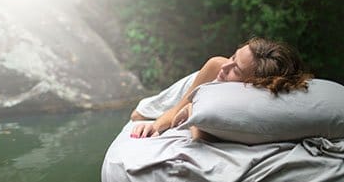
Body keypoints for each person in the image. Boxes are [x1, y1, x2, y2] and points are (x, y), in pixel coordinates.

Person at [130, 37, 313, 139]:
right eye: (233, 57)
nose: (226, 66)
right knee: (138, 115)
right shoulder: (217, 66)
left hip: (213, 92)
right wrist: (154, 126)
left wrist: (193, 109)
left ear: (254, 84)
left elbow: (201, 136)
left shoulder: (252, 99)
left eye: (236, 69)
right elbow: (177, 109)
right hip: (197, 83)